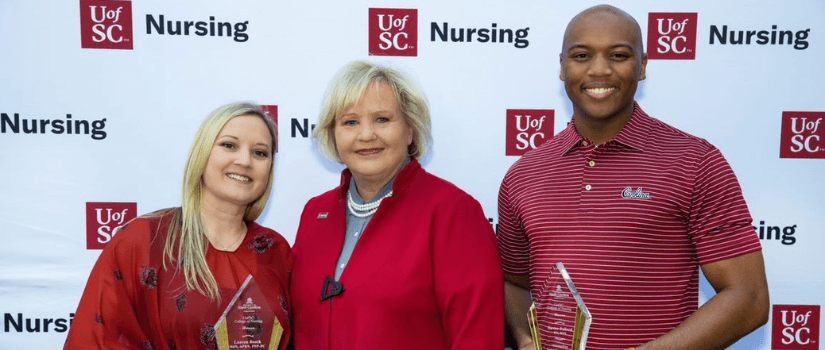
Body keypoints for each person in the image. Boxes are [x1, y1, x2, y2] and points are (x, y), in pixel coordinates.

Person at [498, 5, 770, 350]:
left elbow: (749, 298)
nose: (599, 70)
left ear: (641, 67)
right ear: (563, 67)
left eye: (618, 55)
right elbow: (516, 283)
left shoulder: (695, 161)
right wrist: (524, 339)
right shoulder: (524, 175)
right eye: (581, 55)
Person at [290, 60, 504, 350]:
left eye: (382, 119)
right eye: (350, 122)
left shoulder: (453, 212)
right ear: (334, 134)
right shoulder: (315, 213)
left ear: (410, 131)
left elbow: (476, 338)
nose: (366, 135)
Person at [64, 103, 292, 350]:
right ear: (202, 154)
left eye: (260, 152)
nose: (245, 160)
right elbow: (95, 339)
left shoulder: (274, 250)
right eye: (229, 145)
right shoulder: (143, 240)